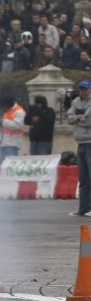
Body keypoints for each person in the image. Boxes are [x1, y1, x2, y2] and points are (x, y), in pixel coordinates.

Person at [66, 80, 91, 217]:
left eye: (85, 89)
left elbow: (88, 121)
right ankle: (83, 208)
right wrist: (79, 117)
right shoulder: (75, 101)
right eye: (81, 89)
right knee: (83, 179)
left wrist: (77, 118)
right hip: (81, 143)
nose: (83, 91)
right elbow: (69, 118)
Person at [0, 94, 26, 163]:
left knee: (10, 164)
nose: (2, 109)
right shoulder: (7, 111)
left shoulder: (19, 112)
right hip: (4, 143)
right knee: (0, 164)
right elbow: (6, 125)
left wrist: (3, 121)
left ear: (7, 106)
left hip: (13, 144)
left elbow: (17, 126)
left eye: (3, 107)